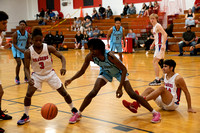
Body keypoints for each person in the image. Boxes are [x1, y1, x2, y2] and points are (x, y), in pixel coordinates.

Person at [65, 38, 161, 124]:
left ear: (99, 48)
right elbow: (82, 71)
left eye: (93, 49)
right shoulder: (90, 56)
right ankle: (78, 114)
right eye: (90, 49)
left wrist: (120, 87)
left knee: (132, 94)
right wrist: (71, 79)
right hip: (106, 72)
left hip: (119, 72)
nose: (91, 52)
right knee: (93, 92)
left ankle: (155, 113)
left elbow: (124, 69)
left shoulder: (110, 56)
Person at [17, 27, 78, 125]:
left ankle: (74, 110)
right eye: (35, 40)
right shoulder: (28, 52)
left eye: (39, 40)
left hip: (50, 74)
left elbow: (62, 57)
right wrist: (28, 78)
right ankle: (26, 115)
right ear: (32, 40)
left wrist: (64, 67)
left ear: (42, 39)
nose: (38, 42)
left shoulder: (48, 48)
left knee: (64, 93)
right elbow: (26, 68)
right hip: (37, 75)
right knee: (28, 95)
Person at [123, 59, 196, 114]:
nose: (163, 68)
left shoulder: (178, 78)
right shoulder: (164, 75)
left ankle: (138, 102)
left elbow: (186, 92)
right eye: (163, 66)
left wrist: (189, 108)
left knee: (161, 88)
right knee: (149, 89)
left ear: (171, 68)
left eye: (165, 66)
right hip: (163, 102)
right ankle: (135, 105)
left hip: (172, 104)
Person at [0, 11, 13, 133]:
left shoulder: (1, 35)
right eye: (4, 23)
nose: (6, 26)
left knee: (0, 92)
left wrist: (4, 47)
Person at [149, 13, 167, 86]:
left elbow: (165, 34)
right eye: (151, 19)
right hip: (157, 45)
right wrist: (153, 44)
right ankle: (164, 77)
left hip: (160, 46)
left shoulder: (158, 26)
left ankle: (157, 80)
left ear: (156, 19)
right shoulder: (154, 27)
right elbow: (157, 37)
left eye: (153, 18)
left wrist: (163, 44)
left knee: (155, 61)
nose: (152, 20)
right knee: (161, 63)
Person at [12, 20, 31, 84]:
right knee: (19, 63)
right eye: (20, 24)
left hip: (23, 50)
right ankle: (17, 78)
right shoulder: (16, 34)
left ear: (25, 26)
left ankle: (26, 77)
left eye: (23, 24)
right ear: (19, 26)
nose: (22, 26)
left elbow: (28, 44)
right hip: (16, 49)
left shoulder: (27, 34)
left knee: (26, 64)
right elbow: (14, 44)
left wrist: (30, 48)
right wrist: (21, 50)